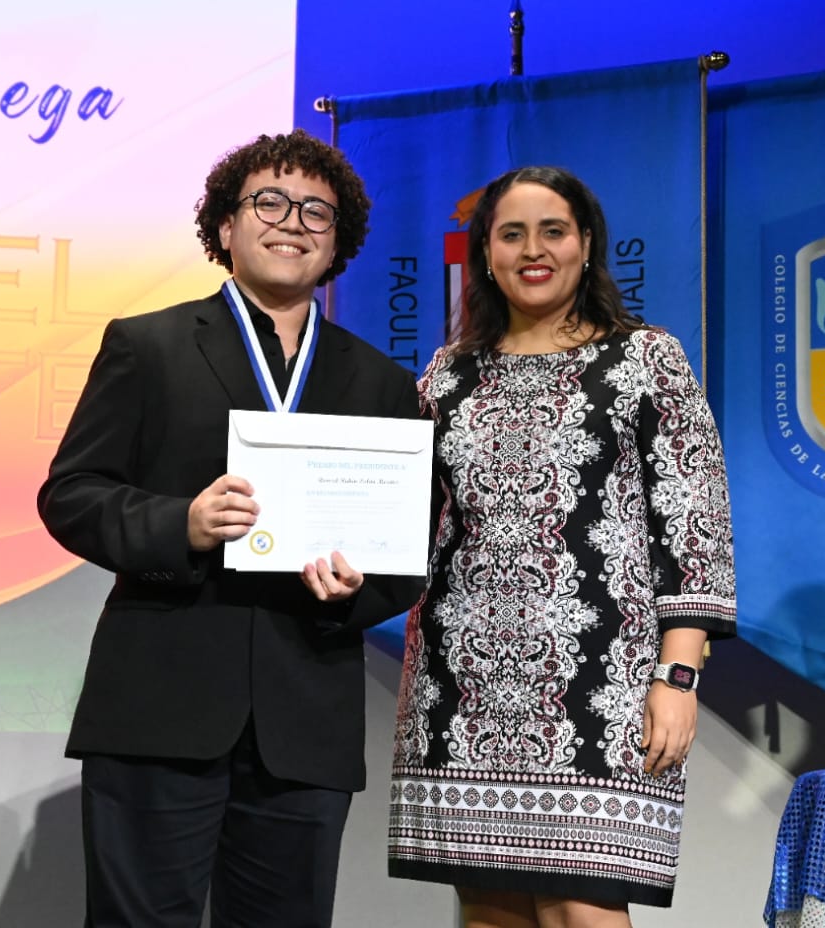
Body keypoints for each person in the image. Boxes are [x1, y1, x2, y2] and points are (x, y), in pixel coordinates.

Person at [38, 130, 424, 928]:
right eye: (269, 202)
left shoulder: (382, 382)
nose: (293, 222)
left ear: (339, 241)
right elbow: (71, 495)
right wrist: (180, 522)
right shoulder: (147, 346)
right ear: (225, 225)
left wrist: (351, 592)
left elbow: (405, 550)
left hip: (304, 717)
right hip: (158, 705)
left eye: (316, 211)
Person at [387, 165, 736, 926]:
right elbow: (405, 517)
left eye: (553, 231)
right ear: (486, 254)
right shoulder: (447, 376)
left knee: (582, 909)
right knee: (490, 912)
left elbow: (695, 523)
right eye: (511, 234)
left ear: (586, 245)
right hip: (460, 682)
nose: (532, 250)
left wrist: (677, 676)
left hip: (603, 682)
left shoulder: (647, 360)